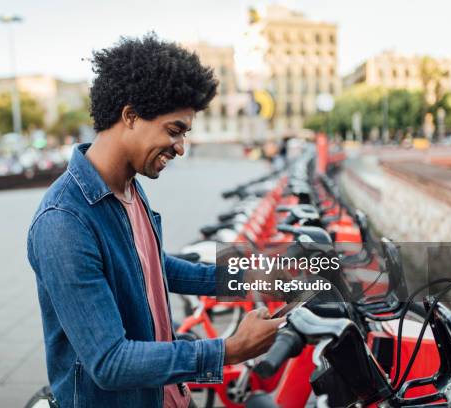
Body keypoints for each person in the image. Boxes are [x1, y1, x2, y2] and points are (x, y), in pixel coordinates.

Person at [27, 34, 284, 408]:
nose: (181, 147)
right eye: (174, 130)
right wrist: (228, 349)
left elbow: (152, 267)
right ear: (130, 116)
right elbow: (110, 362)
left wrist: (244, 278)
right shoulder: (64, 222)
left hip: (167, 393)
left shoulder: (128, 188)